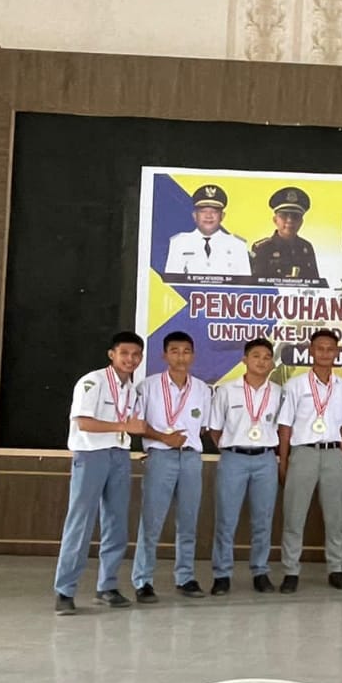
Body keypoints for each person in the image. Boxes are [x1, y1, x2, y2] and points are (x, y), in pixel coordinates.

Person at [52, 331, 147, 614]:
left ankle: (107, 586)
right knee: (80, 523)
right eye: (124, 353)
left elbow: (134, 425)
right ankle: (64, 591)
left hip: (119, 455)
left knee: (116, 523)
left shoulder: (133, 390)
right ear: (112, 354)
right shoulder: (92, 381)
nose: (130, 359)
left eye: (136, 355)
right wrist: (122, 428)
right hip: (91, 455)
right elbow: (83, 423)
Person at [131, 331, 213, 602]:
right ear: (164, 355)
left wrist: (181, 442)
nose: (181, 356)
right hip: (160, 457)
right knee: (151, 522)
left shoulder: (202, 389)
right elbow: (138, 424)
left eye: (186, 351)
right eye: (175, 351)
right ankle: (143, 580)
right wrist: (164, 437)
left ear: (193, 355)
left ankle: (185, 577)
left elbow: (202, 427)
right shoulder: (148, 386)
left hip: (190, 458)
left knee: (188, 521)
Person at [277, 329, 342, 592]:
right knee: (294, 516)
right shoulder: (295, 385)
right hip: (303, 453)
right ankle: (290, 571)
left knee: (336, 516)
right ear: (311, 351)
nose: (325, 353)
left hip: (334, 453)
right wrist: (284, 462)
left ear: (337, 352)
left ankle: (335, 569)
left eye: (330, 348)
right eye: (319, 348)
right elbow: (285, 427)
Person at [208, 337, 283, 593]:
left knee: (263, 519)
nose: (261, 361)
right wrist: (232, 448)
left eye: (266, 357)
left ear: (272, 363)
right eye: (256, 356)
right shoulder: (226, 391)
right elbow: (214, 429)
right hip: (234, 459)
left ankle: (260, 571)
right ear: (244, 360)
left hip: (265, 459)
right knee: (226, 519)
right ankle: (222, 574)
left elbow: (281, 428)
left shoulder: (278, 392)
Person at [164, 184, 251, 278]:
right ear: (194, 215)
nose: (208, 216)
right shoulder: (179, 243)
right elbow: (171, 284)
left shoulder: (237, 245)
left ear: (222, 216)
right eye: (203, 211)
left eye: (214, 211)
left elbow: (244, 285)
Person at [251, 186, 321, 282]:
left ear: (301, 222)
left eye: (295, 216)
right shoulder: (262, 248)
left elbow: (316, 283)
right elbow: (255, 286)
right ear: (275, 220)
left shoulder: (306, 248)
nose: (289, 221)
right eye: (284, 215)